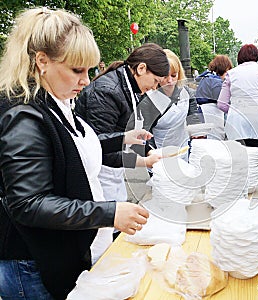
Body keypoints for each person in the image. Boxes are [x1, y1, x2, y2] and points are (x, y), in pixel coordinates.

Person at [0, 8, 153, 299]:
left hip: (56, 253)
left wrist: (121, 139)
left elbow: (69, 150)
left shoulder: (54, 100)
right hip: (31, 262)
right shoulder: (23, 115)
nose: (86, 81)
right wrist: (108, 213)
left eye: (88, 70)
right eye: (77, 70)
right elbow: (29, 203)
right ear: (42, 61)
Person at [75, 43, 167, 205]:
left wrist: (148, 151)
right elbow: (100, 146)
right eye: (155, 81)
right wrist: (143, 162)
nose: (154, 87)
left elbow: (129, 131)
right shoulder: (106, 92)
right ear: (141, 69)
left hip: (114, 171)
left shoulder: (131, 87)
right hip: (98, 172)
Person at [140, 49, 202, 152]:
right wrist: (153, 154)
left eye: (174, 75)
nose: (170, 81)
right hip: (160, 152)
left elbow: (193, 117)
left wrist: (197, 131)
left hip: (184, 148)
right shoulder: (148, 100)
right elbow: (146, 133)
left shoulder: (187, 93)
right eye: (165, 76)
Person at [217, 44, 258, 151]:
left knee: (239, 158)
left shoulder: (231, 73)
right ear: (257, 55)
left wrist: (235, 111)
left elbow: (221, 103)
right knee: (257, 157)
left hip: (236, 121)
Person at [195, 54, 233, 140]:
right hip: (212, 114)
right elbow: (223, 102)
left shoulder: (206, 78)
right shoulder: (216, 82)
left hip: (202, 113)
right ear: (224, 68)